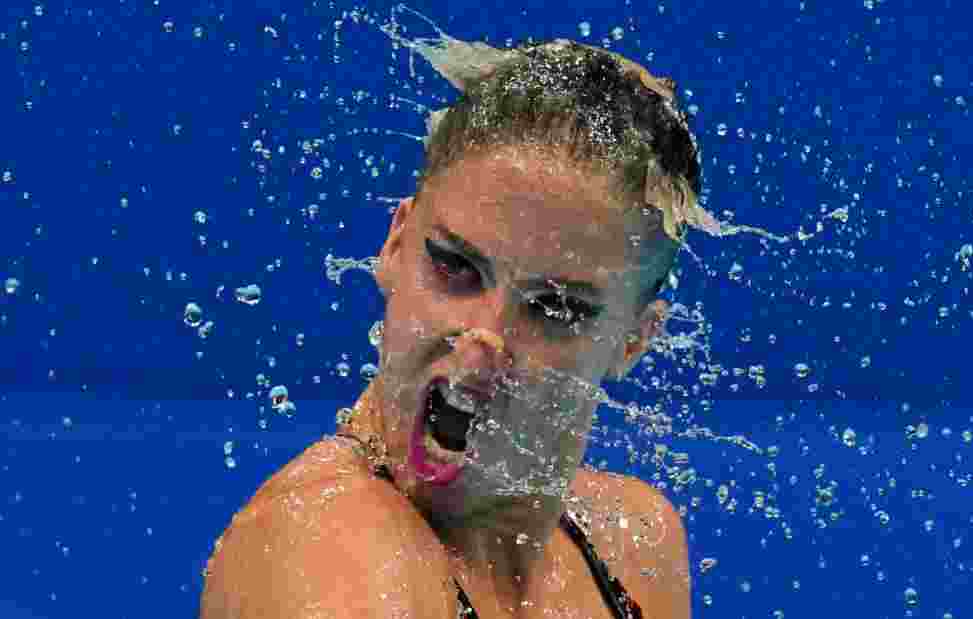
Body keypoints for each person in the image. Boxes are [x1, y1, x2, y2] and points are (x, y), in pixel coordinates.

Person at [201, 37, 715, 618]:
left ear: (633, 339)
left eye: (553, 308)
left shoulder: (635, 540)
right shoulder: (331, 552)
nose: (481, 348)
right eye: (455, 267)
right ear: (395, 242)